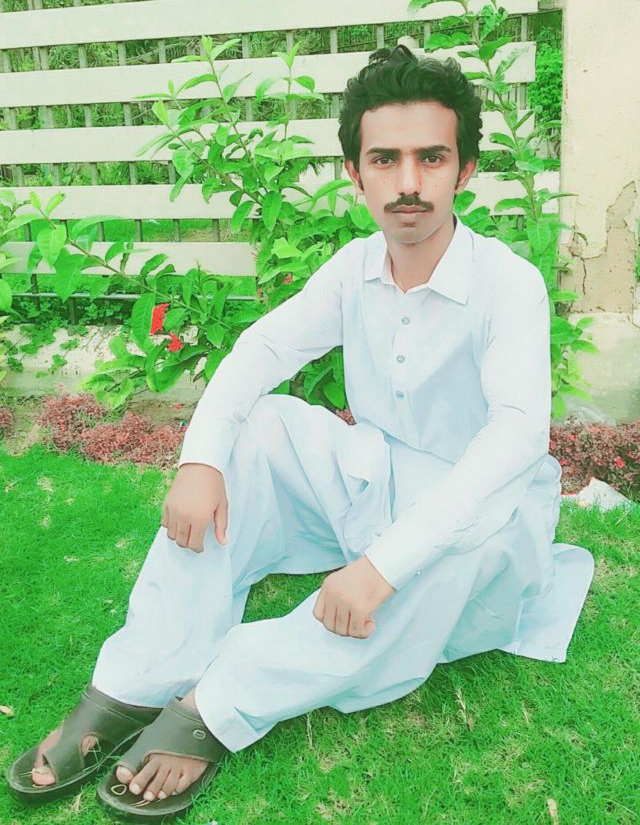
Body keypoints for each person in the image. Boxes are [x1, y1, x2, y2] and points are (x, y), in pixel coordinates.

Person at [6, 45, 595, 820]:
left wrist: (381, 567)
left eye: (431, 158)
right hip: (375, 477)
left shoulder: (509, 284)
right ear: (355, 174)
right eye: (385, 160)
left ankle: (219, 704)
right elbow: (263, 350)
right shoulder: (355, 267)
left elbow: (515, 441)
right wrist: (201, 460)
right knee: (260, 425)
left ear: (466, 170)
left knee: (456, 545)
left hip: (479, 524)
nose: (409, 183)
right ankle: (140, 676)